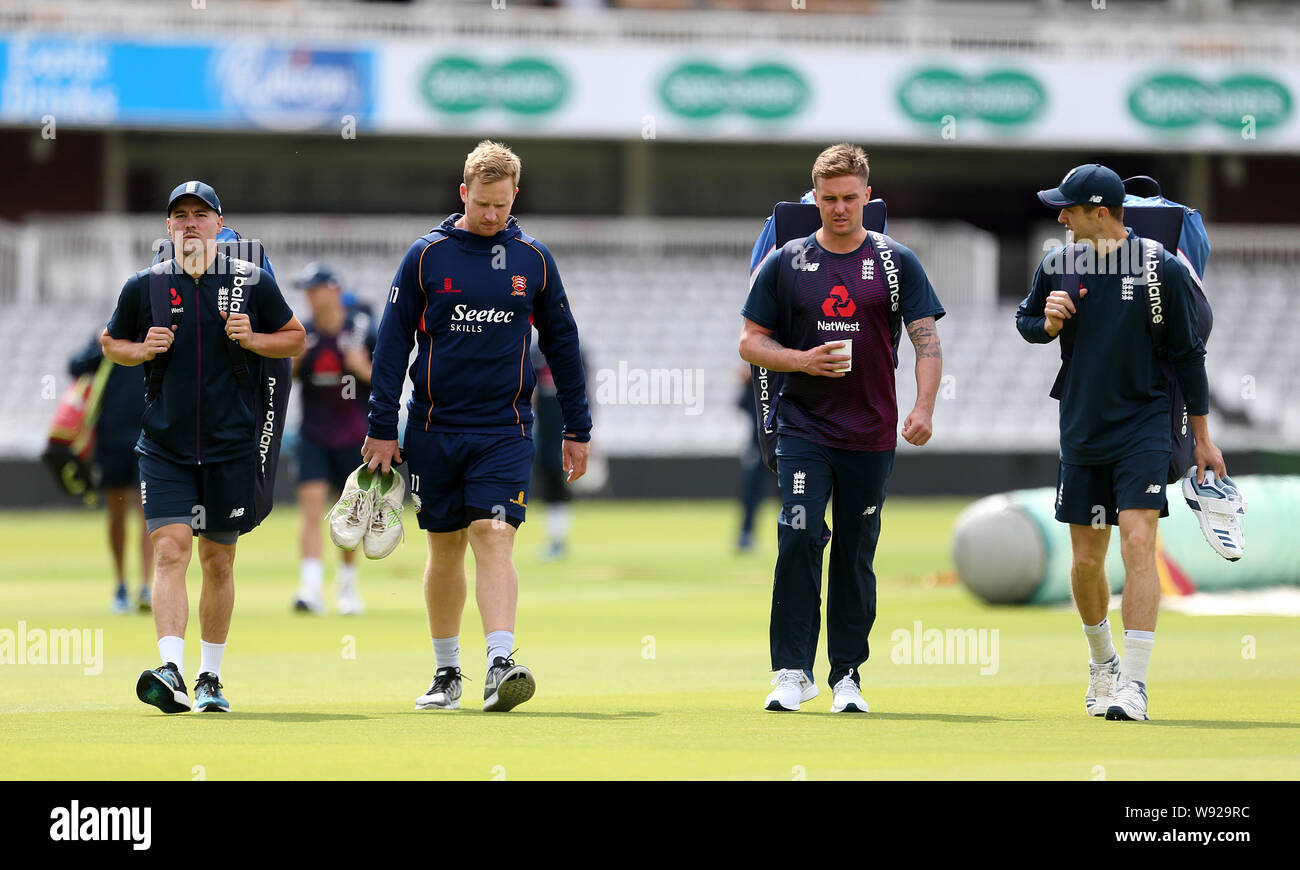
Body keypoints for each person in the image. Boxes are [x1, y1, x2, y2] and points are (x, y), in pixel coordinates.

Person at [362, 141, 591, 713]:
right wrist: (381, 426)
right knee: (444, 549)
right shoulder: (425, 256)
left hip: (506, 429)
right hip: (433, 429)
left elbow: (563, 344)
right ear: (463, 193)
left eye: (502, 205)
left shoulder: (534, 259)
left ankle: (499, 662)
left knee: (494, 534)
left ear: (517, 195)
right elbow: (391, 346)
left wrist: (578, 427)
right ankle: (447, 673)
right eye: (483, 204)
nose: (492, 216)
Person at [739, 143, 945, 713]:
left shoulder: (897, 261)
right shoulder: (786, 261)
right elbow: (750, 342)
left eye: (850, 198)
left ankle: (847, 675)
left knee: (856, 552)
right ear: (815, 199)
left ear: (867, 197)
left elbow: (926, 341)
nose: (839, 208)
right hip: (804, 427)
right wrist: (803, 360)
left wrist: (924, 407)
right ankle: (791, 671)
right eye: (828, 199)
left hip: (872, 433)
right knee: (799, 534)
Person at [1016, 163, 1224, 722]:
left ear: (1100, 211)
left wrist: (1203, 440)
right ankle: (1102, 661)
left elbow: (1188, 356)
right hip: (1082, 426)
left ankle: (1133, 684)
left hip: (1146, 426)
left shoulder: (1164, 270)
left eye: (1069, 208)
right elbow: (1026, 320)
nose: (1060, 216)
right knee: (1087, 560)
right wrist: (1047, 324)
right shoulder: (1058, 262)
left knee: (1137, 542)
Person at [102, 180, 305, 714]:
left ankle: (209, 677)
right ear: (168, 227)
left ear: (220, 223)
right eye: (180, 216)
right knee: (171, 550)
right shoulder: (143, 286)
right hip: (165, 446)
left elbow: (294, 337)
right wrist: (140, 348)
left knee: (218, 560)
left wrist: (254, 339)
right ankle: (169, 668)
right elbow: (110, 343)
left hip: (230, 446)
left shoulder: (252, 282)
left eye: (200, 214)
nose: (190, 223)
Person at [290, 262, 376, 615]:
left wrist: (360, 368)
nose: (310, 297)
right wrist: (295, 361)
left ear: (334, 290)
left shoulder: (361, 332)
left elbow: (385, 381)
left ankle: (347, 586)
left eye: (316, 289)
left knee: (350, 516)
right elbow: (285, 379)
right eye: (308, 291)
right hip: (312, 434)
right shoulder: (303, 335)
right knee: (311, 510)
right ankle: (310, 588)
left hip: (352, 437)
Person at [68, 329, 152, 614]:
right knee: (117, 512)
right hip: (112, 438)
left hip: (149, 436)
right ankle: (120, 583)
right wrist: (101, 345)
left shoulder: (159, 332)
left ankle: (147, 585)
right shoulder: (110, 334)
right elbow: (75, 366)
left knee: (147, 513)